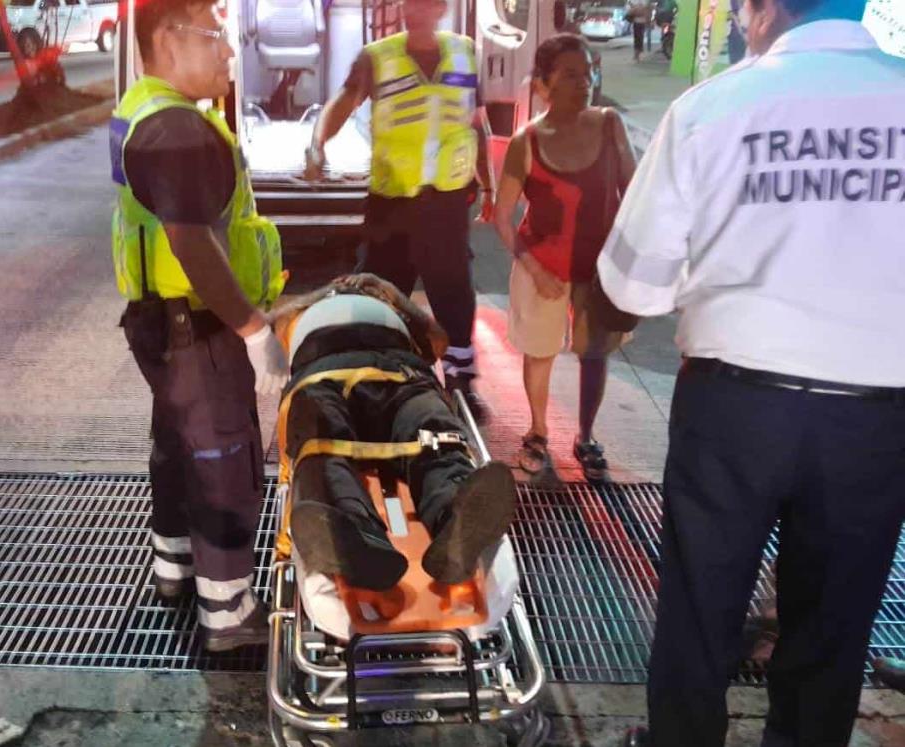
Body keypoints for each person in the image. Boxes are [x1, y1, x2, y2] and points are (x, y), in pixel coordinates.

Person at [597, 0, 905, 742]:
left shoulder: (714, 107)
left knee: (701, 607)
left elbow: (631, 284)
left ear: (765, 11)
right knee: (833, 627)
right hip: (878, 417)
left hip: (735, 410)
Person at [110, 0, 289, 652]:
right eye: (216, 35)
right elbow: (190, 240)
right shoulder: (179, 131)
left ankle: (174, 569)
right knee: (222, 456)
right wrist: (252, 330)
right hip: (199, 329)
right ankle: (229, 618)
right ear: (167, 38)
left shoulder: (145, 109)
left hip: (160, 322)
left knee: (177, 444)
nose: (229, 52)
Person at [303, 0, 493, 424]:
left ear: (441, 7)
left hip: (446, 198)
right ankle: (374, 376)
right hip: (393, 202)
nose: (414, 9)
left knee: (454, 291)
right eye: (408, 2)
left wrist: (490, 180)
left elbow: (476, 121)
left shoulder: (464, 51)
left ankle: (461, 383)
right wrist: (317, 143)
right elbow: (345, 100)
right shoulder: (377, 57)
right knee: (381, 294)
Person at [271, 273, 516, 591]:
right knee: (318, 436)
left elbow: (438, 343)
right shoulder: (301, 310)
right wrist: (322, 291)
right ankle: (352, 535)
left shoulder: (393, 306)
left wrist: (395, 295)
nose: (348, 284)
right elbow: (271, 328)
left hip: (402, 374)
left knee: (435, 432)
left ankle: (454, 521)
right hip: (324, 375)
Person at [492, 34, 637, 484]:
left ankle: (587, 436)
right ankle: (537, 433)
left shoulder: (611, 124)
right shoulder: (526, 142)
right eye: (571, 74)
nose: (585, 81)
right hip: (544, 270)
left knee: (596, 354)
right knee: (540, 353)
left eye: (589, 71)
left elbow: (633, 194)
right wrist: (535, 271)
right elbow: (502, 218)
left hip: (599, 273)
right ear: (542, 85)